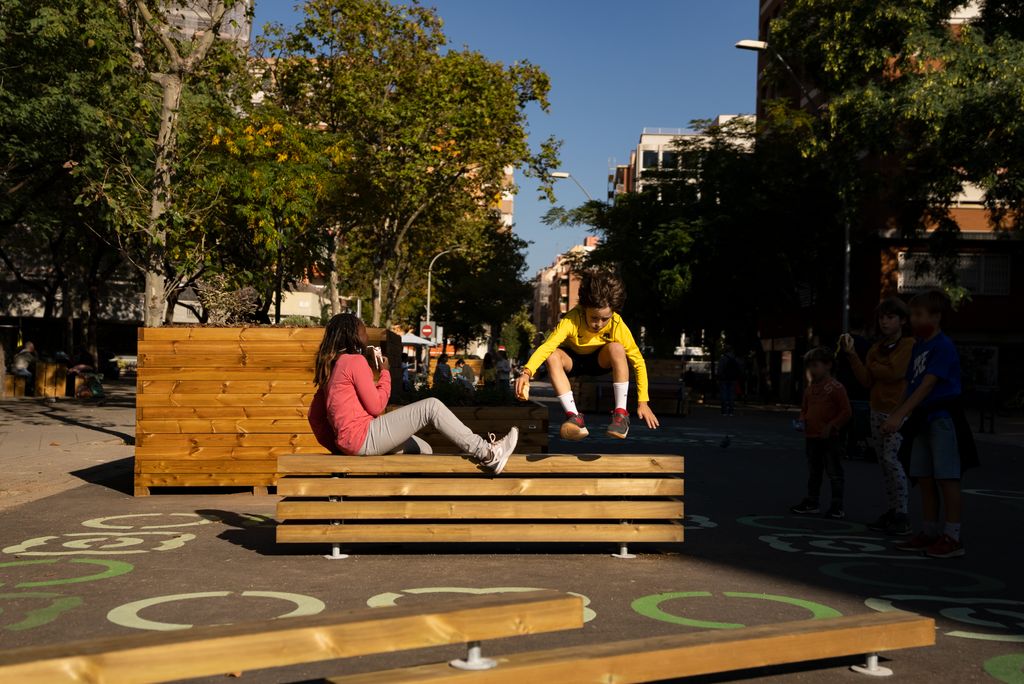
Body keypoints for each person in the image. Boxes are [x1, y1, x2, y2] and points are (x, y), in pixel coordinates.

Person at [307, 314, 518, 472]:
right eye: (363, 329)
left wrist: (338, 446)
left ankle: (412, 506)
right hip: (365, 436)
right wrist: (385, 373)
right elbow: (377, 406)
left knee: (424, 449)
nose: (366, 334)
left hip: (353, 442)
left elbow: (314, 417)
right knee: (431, 407)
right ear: (353, 334)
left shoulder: (331, 367)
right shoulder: (355, 361)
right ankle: (488, 454)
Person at [882, 289, 978, 559]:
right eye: (912, 314)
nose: (914, 319)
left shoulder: (942, 346)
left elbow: (927, 385)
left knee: (947, 477)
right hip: (921, 419)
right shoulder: (919, 346)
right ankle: (929, 530)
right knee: (924, 477)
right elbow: (910, 383)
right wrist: (896, 411)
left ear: (936, 317)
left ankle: (953, 536)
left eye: (919, 314)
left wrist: (900, 415)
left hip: (942, 418)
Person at [515, 269, 659, 440]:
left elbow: (638, 362)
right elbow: (547, 346)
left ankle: (621, 416)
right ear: (584, 309)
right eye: (594, 318)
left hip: (600, 361)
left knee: (617, 348)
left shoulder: (617, 325)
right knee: (552, 355)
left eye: (605, 319)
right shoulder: (571, 319)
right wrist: (526, 373)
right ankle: (574, 418)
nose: (598, 324)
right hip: (572, 360)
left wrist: (643, 402)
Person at [840, 297, 915, 535]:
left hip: (899, 410)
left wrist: (873, 366)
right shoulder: (875, 349)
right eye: (882, 317)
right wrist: (852, 355)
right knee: (883, 462)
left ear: (902, 321)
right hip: (876, 408)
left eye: (891, 317)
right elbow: (866, 380)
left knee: (892, 460)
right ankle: (893, 510)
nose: (885, 322)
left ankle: (902, 513)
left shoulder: (908, 345)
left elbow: (895, 372)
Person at [791, 347, 852, 519]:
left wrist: (832, 426)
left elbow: (846, 411)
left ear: (828, 365)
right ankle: (812, 501)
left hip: (829, 438)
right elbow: (805, 409)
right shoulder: (810, 389)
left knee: (834, 473)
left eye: (815, 365)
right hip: (811, 436)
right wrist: (802, 420)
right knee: (814, 471)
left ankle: (837, 505)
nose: (812, 370)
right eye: (809, 366)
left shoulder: (835, 387)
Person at [717, 346, 742, 416]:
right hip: (733, 379)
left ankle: (724, 411)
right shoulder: (735, 359)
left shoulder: (723, 358)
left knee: (724, 394)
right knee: (731, 395)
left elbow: (720, 369)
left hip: (724, 379)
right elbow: (740, 368)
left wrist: (719, 377)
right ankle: (731, 411)